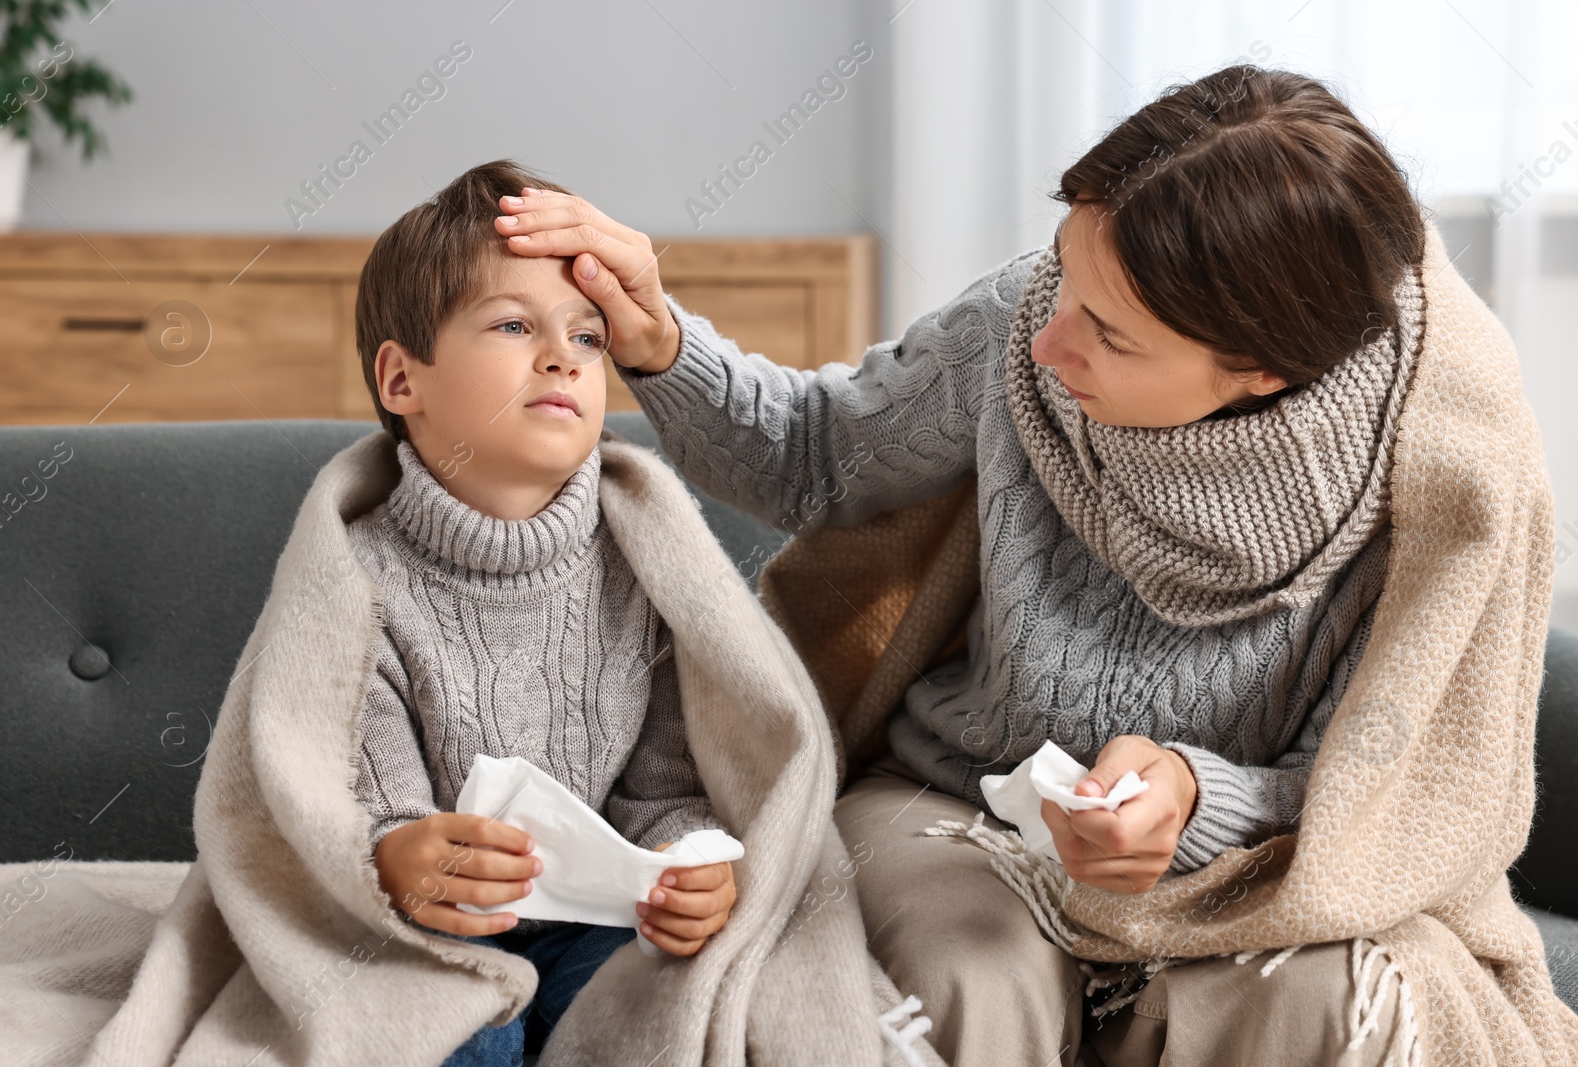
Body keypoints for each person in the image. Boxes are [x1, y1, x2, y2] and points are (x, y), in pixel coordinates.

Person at [484, 65, 1449, 1064]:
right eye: (1062, 277)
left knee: (1315, 1003)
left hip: (1253, 864)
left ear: (1259, 372)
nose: (1045, 339)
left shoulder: (1431, 474)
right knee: (964, 972)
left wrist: (1197, 797)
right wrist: (657, 338)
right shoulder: (1021, 324)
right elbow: (817, 456)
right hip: (949, 799)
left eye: (1106, 334)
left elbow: (1384, 781)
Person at [346, 160, 738, 1067]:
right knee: (456, 1028)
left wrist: (687, 864)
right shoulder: (357, 581)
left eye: (589, 337)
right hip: (427, 923)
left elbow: (663, 792)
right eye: (515, 325)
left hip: (590, 917)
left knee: (670, 1003)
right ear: (403, 380)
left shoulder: (644, 565)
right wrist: (399, 855)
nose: (563, 355)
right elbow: (355, 814)